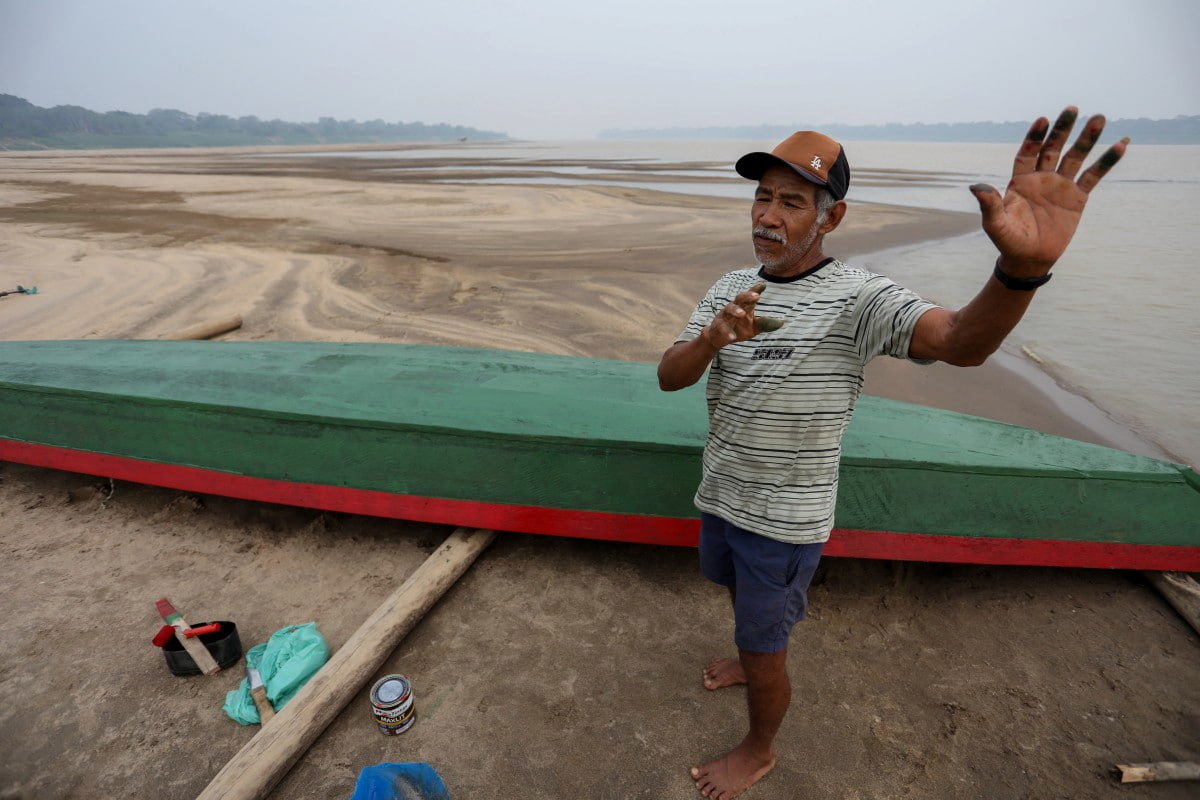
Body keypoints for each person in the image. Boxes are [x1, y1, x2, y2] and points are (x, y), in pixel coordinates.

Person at [656, 107, 1126, 800]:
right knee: (737, 601)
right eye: (762, 196)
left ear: (831, 218)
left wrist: (1017, 273)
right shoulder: (730, 287)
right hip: (722, 495)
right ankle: (749, 650)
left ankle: (759, 748)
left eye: (791, 202)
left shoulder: (860, 296)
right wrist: (711, 340)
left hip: (783, 522)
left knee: (767, 645)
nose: (768, 215)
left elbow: (959, 341)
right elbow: (671, 374)